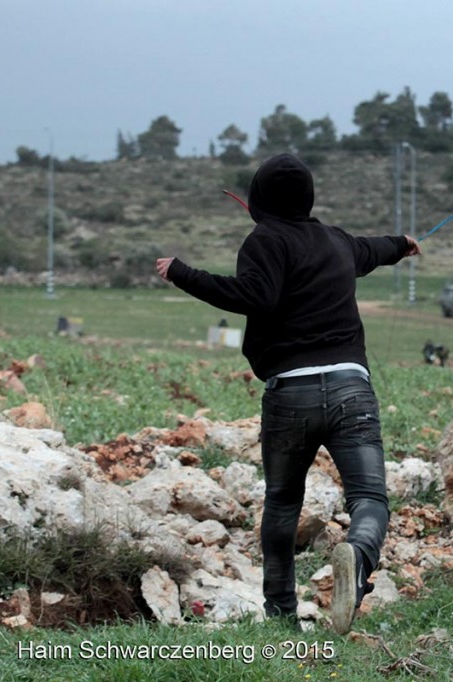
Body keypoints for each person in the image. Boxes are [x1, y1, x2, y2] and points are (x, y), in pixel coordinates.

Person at [154, 153, 420, 635]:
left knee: (281, 502)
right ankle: (357, 558)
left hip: (290, 394)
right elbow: (371, 248)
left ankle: (279, 617)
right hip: (350, 389)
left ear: (256, 201)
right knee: (369, 499)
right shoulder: (337, 241)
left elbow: (254, 296)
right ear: (309, 199)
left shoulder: (263, 240)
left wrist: (182, 272)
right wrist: (402, 244)